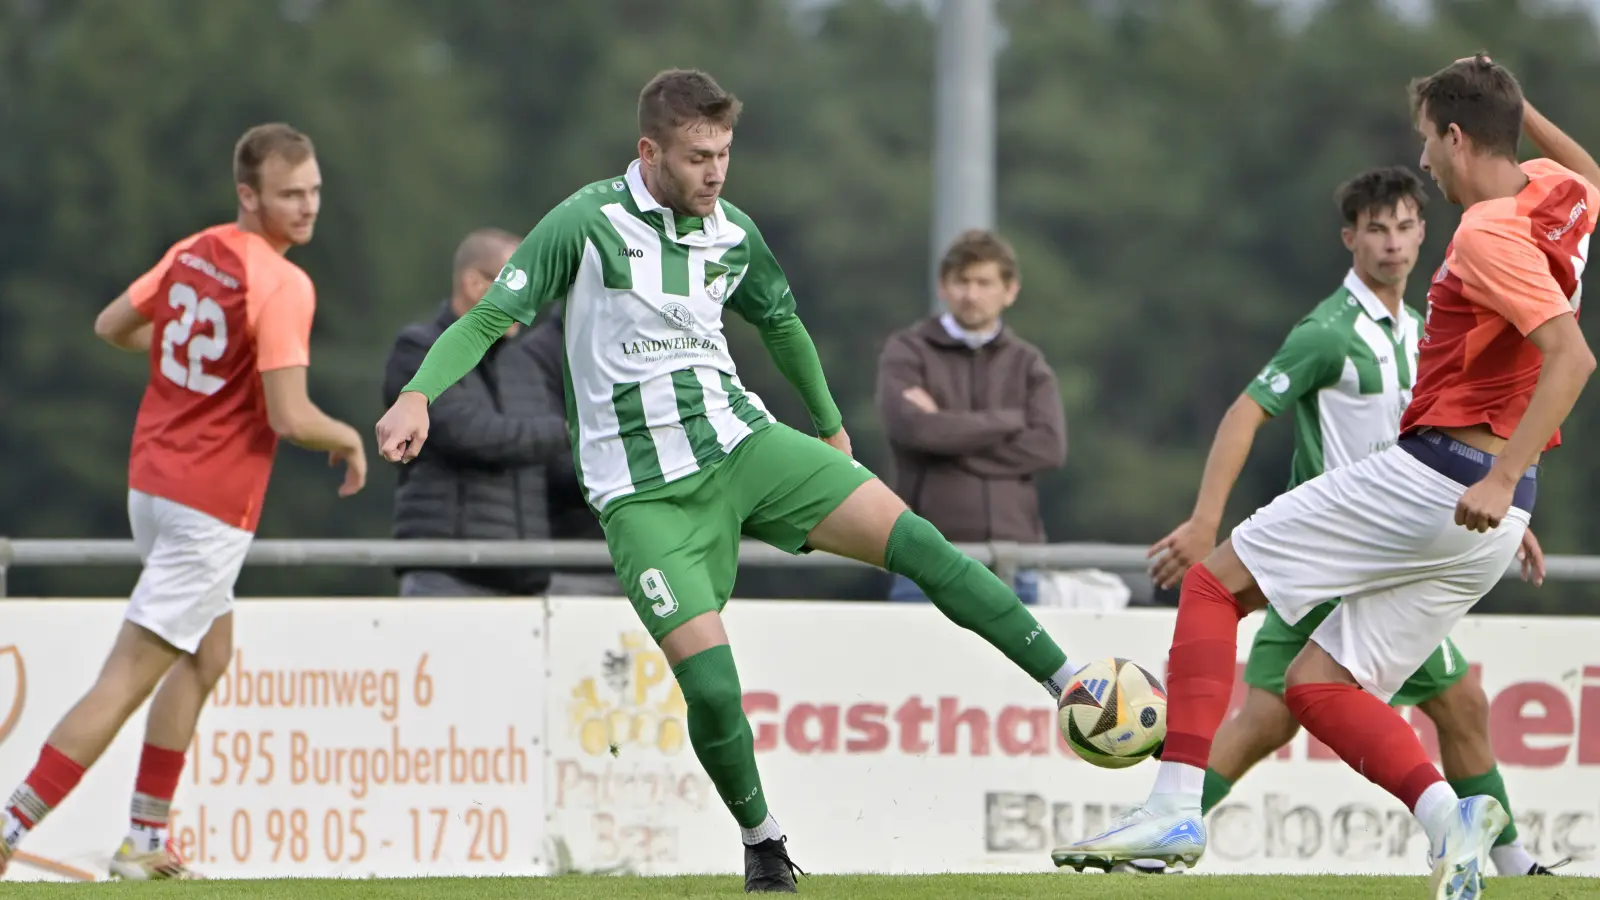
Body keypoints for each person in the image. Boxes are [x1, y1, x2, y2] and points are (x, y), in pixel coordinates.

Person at [374, 68, 1086, 893]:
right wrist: (419, 395)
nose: (715, 172)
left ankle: (1072, 684)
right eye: (697, 156)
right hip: (642, 496)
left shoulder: (732, 232)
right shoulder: (586, 222)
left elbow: (779, 321)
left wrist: (827, 425)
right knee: (713, 687)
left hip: (744, 445)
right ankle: (763, 838)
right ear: (650, 151)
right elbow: (491, 317)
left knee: (923, 545)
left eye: (724, 153)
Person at [1054, 56, 1596, 900]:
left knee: (1211, 581)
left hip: (1445, 481)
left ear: (1457, 136)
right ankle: (1449, 819)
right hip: (1486, 517)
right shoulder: (1558, 198)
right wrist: (1518, 111)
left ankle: (1171, 806)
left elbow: (1573, 357)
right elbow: (1591, 176)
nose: (1425, 164)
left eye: (1429, 144)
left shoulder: (1489, 232)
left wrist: (1500, 473)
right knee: (1313, 685)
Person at [1140, 165, 1558, 878]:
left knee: (1290, 714)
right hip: (1343, 553)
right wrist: (1206, 517)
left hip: (1392, 539)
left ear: (1423, 233)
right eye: (1376, 229)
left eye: (1403, 227)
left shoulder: (1424, 328)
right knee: (1446, 702)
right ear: (1350, 239)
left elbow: (1442, 446)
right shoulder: (1328, 332)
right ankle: (1506, 859)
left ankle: (1163, 831)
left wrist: (1499, 502)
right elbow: (1247, 411)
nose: (1392, 244)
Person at [0, 124, 367, 880]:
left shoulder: (194, 250)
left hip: (152, 490)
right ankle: (10, 826)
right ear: (248, 194)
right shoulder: (284, 283)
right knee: (126, 677)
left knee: (209, 654)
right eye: (290, 194)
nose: (307, 208)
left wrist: (189, 358)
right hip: (208, 507)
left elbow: (113, 327)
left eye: (314, 191)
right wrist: (348, 437)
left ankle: (144, 842)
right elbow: (290, 417)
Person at [875, 228, 1066, 604]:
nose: (972, 293)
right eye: (962, 281)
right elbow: (914, 430)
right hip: (927, 560)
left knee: (1017, 667)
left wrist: (946, 430)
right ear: (943, 286)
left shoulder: (1028, 363)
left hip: (1016, 562)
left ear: (1010, 290)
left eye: (984, 282)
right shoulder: (907, 351)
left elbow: (1049, 448)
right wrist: (1009, 422)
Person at [384, 227, 570, 597]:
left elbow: (550, 465)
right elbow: (472, 435)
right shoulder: (418, 349)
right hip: (447, 577)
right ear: (473, 283)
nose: (528, 300)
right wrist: (576, 432)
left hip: (524, 584)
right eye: (517, 284)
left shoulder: (525, 364)